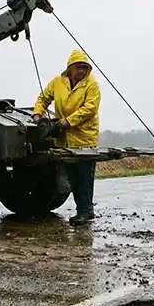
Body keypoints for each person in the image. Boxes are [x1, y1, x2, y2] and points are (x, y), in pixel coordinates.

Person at [32, 49, 102, 225]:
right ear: (70, 68)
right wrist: (37, 115)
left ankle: (84, 212)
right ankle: (85, 210)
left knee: (84, 176)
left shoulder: (91, 85)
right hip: (65, 140)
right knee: (72, 177)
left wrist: (67, 122)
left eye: (84, 68)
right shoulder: (57, 82)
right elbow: (43, 98)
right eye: (79, 67)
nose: (82, 71)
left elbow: (89, 109)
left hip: (85, 138)